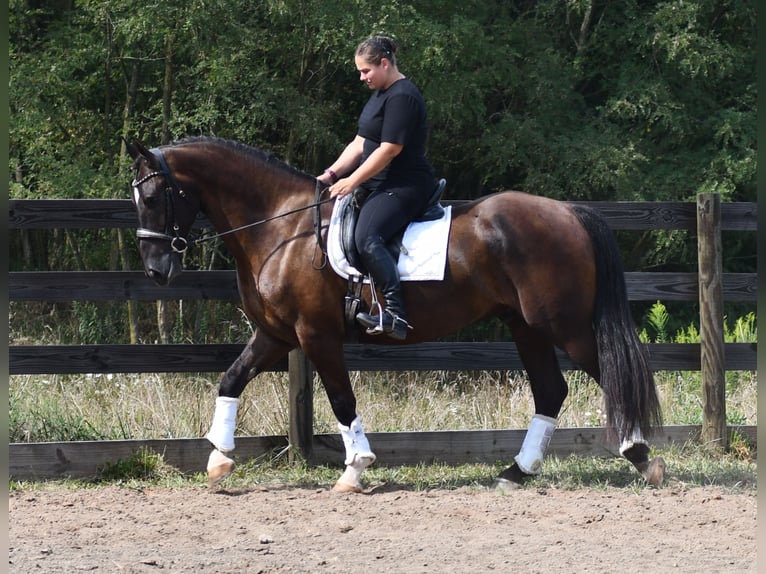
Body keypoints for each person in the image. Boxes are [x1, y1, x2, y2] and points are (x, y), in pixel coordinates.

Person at [318, 35, 435, 341]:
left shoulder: (403, 97)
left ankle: (395, 313)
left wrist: (351, 181)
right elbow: (360, 143)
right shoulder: (380, 93)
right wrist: (330, 174)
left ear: (384, 64)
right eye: (360, 72)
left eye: (365, 71)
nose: (361, 77)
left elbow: (388, 150)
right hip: (379, 184)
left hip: (405, 184)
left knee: (367, 237)